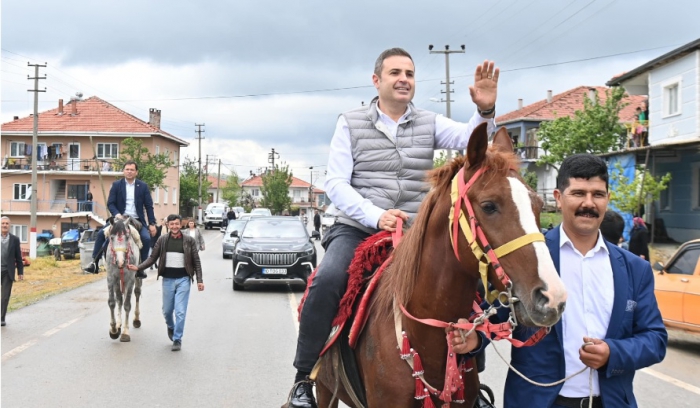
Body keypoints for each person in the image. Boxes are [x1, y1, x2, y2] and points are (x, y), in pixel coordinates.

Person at [285, 47, 499, 408]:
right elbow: (336, 183)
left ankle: (471, 379)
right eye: (396, 73)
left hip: (417, 233)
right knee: (327, 280)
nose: (404, 79)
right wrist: (375, 215)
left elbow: (470, 139)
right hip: (358, 227)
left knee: (470, 282)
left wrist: (485, 110)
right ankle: (304, 380)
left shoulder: (429, 122)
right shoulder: (350, 122)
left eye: (410, 74)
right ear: (377, 80)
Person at [462, 154, 667, 408]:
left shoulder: (636, 269)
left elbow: (655, 339)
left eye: (598, 194)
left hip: (610, 402)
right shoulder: (528, 256)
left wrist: (613, 353)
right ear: (558, 198)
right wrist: (475, 339)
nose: (588, 203)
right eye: (578, 193)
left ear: (607, 199)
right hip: (539, 401)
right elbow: (496, 314)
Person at [127, 214, 204, 351]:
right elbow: (152, 258)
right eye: (171, 224)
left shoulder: (189, 241)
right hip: (167, 280)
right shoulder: (162, 240)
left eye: (177, 224)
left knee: (180, 311)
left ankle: (177, 339)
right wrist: (138, 267)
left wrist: (199, 280)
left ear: (181, 225)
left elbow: (196, 261)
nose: (174, 226)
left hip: (183, 280)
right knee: (167, 311)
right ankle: (171, 326)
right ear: (168, 225)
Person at [83, 161, 157, 278]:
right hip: (119, 218)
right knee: (102, 234)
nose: (129, 171)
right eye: (127, 169)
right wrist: (117, 214)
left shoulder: (142, 186)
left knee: (146, 239)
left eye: (132, 170)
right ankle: (94, 263)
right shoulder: (117, 185)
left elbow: (149, 206)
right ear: (123, 171)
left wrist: (152, 223)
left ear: (136, 172)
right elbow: (110, 203)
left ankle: (140, 268)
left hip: (136, 220)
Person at [1, 216, 24, 327]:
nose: (4, 225)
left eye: (7, 223)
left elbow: (18, 257)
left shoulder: (14, 239)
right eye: (3, 223)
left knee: (5, 296)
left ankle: (1, 318)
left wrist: (20, 272)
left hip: (7, 271)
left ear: (10, 226)